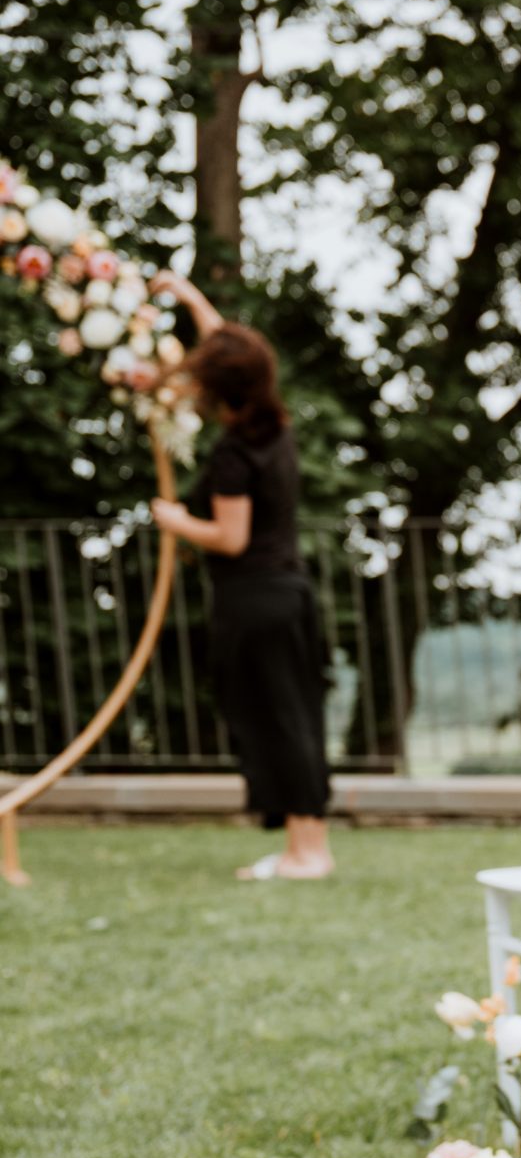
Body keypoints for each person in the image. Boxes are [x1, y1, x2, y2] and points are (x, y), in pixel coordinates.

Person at [147, 273, 334, 880]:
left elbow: (231, 537)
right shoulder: (274, 427)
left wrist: (176, 520)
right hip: (286, 594)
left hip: (254, 599)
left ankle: (306, 853)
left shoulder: (233, 453)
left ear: (218, 387)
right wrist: (189, 296)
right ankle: (305, 847)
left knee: (275, 719)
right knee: (294, 716)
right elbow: (229, 349)